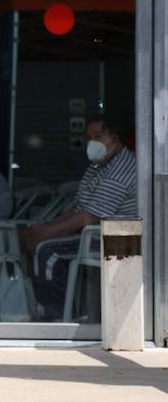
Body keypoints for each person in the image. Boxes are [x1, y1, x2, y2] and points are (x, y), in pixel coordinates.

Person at [19, 115, 136, 319]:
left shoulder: (123, 168)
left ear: (114, 139)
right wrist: (45, 226)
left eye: (98, 136)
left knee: (46, 250)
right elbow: (78, 208)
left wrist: (46, 233)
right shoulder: (98, 165)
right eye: (89, 137)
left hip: (115, 239)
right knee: (31, 238)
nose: (92, 142)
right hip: (92, 233)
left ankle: (55, 318)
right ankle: (54, 310)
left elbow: (88, 217)